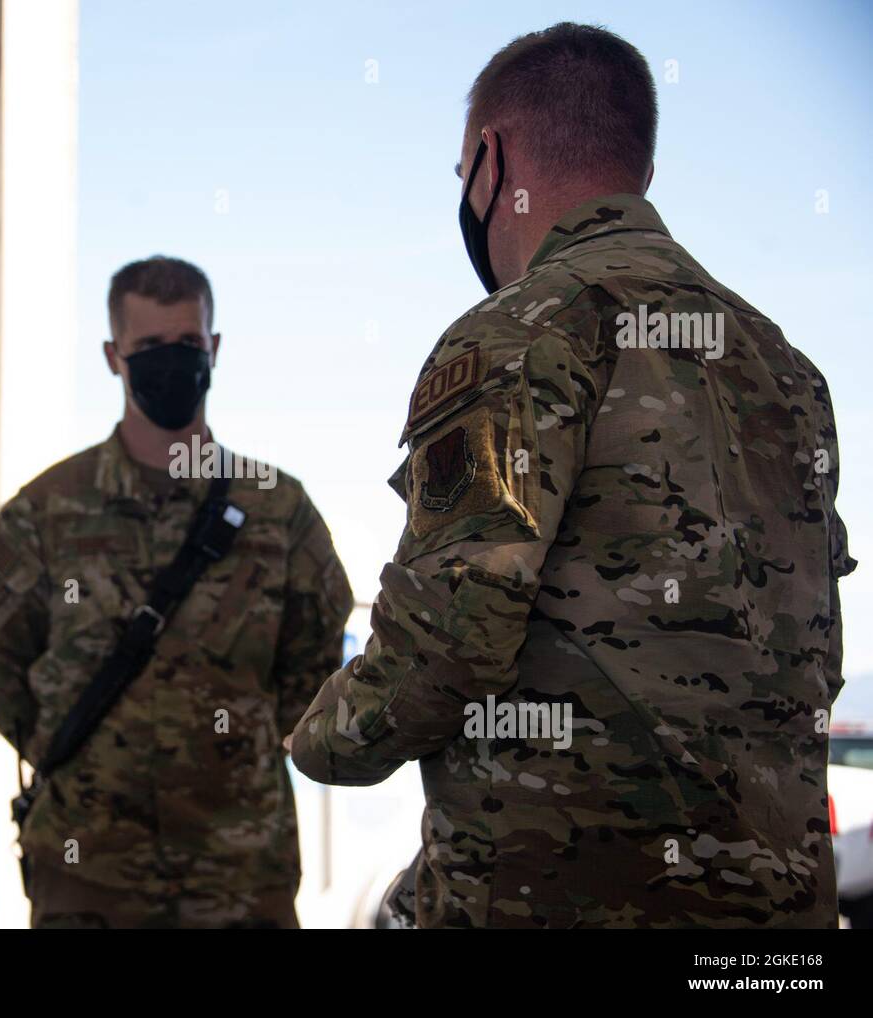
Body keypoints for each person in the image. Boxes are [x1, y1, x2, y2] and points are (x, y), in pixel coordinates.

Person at [290, 22, 854, 929]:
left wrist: (315, 740)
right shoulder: (786, 367)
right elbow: (812, 655)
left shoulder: (519, 332)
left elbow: (446, 645)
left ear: (488, 158)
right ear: (643, 172)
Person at [0, 255, 352, 928]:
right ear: (114, 356)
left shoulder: (278, 511)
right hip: (89, 877)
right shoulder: (45, 514)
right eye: (149, 349)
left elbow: (314, 670)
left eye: (189, 346)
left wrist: (242, 747)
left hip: (240, 873)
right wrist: (84, 753)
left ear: (215, 349)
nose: (172, 363)